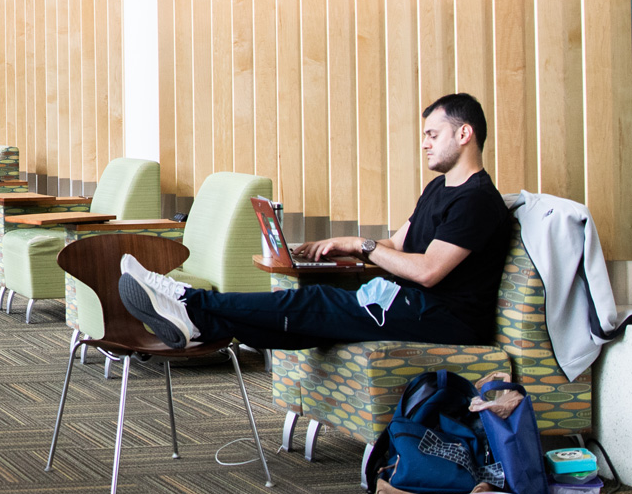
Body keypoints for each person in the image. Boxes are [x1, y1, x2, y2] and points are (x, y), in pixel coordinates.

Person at [117, 93, 512, 351]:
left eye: (432, 134)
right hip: (408, 305)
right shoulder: (439, 189)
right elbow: (396, 245)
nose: (424, 143)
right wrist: (345, 242)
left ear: (464, 133)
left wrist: (363, 246)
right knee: (300, 325)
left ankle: (188, 301)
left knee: (314, 300)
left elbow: (427, 271)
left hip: (445, 322)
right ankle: (201, 324)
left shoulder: (477, 200)